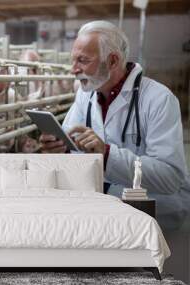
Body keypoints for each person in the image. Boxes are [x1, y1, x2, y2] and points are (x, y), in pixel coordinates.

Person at [40, 20, 190, 231]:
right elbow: (71, 141)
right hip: (105, 206)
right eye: (73, 60)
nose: (73, 70)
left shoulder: (159, 99)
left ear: (112, 61)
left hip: (153, 213)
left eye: (82, 60)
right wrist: (60, 147)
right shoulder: (86, 95)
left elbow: (170, 178)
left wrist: (107, 154)